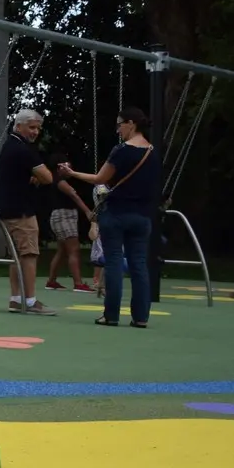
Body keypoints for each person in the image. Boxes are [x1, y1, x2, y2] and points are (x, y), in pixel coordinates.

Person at [60, 106, 162, 327]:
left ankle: (111, 314)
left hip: (116, 213)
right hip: (143, 215)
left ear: (131, 124)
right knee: (139, 264)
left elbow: (100, 179)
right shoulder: (153, 152)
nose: (117, 129)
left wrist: (72, 174)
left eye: (119, 124)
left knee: (114, 262)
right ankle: (141, 317)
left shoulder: (121, 150)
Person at [0, 109, 57, 315]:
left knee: (17, 255)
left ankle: (16, 298)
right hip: (21, 210)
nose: (35, 132)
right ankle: (30, 301)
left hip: (8, 206)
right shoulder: (23, 150)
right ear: (18, 126)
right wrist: (40, 176)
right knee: (29, 253)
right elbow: (47, 177)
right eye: (31, 127)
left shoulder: (10, 146)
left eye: (38, 128)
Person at [43, 150, 94, 292]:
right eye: (66, 165)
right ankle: (78, 283)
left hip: (59, 216)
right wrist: (88, 212)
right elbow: (75, 196)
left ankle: (51, 281)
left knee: (62, 250)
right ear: (60, 167)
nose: (69, 168)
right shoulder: (61, 182)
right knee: (74, 249)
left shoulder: (53, 179)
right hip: (64, 216)